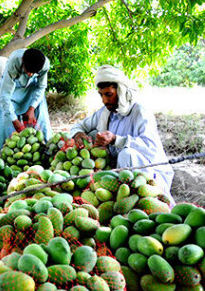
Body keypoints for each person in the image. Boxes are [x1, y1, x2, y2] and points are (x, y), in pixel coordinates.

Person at [71, 65, 174, 194]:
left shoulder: (140, 112)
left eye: (109, 94)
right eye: (101, 95)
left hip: (150, 172)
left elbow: (149, 147)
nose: (104, 100)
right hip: (120, 170)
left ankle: (132, 196)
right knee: (92, 133)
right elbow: (79, 126)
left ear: (120, 91)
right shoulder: (105, 113)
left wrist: (116, 140)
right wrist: (78, 134)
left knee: (127, 154)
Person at [0, 48, 52, 157]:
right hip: (13, 90)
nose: (30, 74)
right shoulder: (14, 62)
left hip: (31, 89)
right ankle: (3, 158)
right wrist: (14, 119)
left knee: (42, 118)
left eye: (33, 73)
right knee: (6, 122)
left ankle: (47, 152)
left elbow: (41, 87)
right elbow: (5, 96)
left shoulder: (44, 65)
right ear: (22, 61)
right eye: (28, 71)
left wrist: (32, 108)